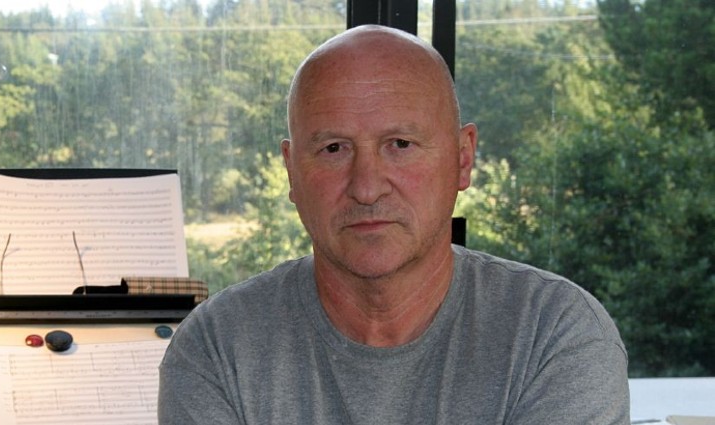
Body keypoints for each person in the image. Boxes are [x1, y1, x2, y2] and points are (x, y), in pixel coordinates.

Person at [159, 24, 630, 424]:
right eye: (333, 149)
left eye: (400, 144)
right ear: (291, 171)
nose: (366, 187)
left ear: (463, 159)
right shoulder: (216, 348)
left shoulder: (554, 335)